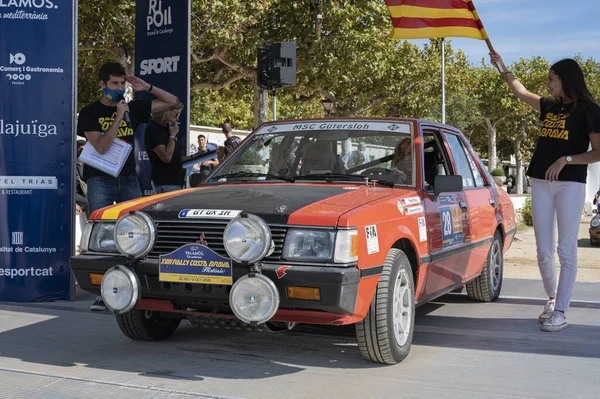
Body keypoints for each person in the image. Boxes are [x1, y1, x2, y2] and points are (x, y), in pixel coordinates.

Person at [490, 51, 600, 332]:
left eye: (551, 79)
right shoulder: (550, 107)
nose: (548, 84)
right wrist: (502, 67)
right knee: (542, 250)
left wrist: (567, 159)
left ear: (566, 80)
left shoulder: (589, 110)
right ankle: (551, 300)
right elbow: (520, 91)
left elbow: (598, 152)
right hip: (540, 182)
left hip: (570, 184)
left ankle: (562, 311)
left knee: (566, 250)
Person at [77, 61, 178, 311]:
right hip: (100, 178)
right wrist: (119, 116)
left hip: (129, 177)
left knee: (135, 230)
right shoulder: (90, 112)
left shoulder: (134, 107)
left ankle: (132, 286)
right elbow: (101, 146)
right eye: (114, 83)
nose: (119, 87)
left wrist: (148, 86)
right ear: (102, 84)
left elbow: (171, 100)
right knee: (103, 233)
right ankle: (103, 291)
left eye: (122, 83)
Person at [144, 100, 187, 193]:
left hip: (177, 181)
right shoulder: (153, 130)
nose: (177, 119)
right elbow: (166, 157)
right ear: (166, 111)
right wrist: (172, 136)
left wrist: (196, 157)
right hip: (166, 182)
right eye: (176, 114)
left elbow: (175, 157)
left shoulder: (167, 130)